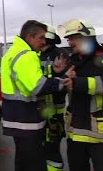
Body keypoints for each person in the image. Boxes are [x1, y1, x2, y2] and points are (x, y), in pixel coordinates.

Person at [1, 20, 69, 171]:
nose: (44, 42)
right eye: (41, 38)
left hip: (16, 119)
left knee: (22, 162)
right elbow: (38, 86)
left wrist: (52, 71)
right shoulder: (26, 56)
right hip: (27, 120)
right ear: (30, 37)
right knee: (35, 164)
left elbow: (26, 80)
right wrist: (62, 81)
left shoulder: (12, 53)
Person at [59, 19, 103, 171]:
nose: (69, 41)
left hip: (101, 139)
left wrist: (77, 83)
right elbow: (60, 89)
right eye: (69, 38)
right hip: (75, 137)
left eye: (73, 37)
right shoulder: (72, 63)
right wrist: (60, 75)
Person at [40, 23, 68, 171]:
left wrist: (57, 76)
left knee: (52, 148)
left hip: (55, 112)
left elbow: (67, 80)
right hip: (38, 109)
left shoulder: (60, 54)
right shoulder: (34, 54)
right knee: (39, 147)